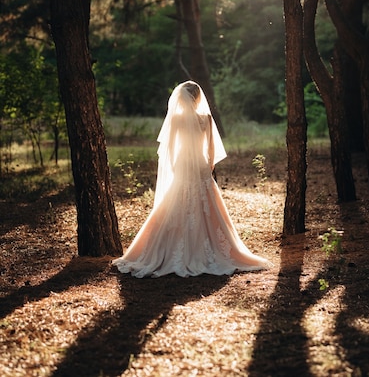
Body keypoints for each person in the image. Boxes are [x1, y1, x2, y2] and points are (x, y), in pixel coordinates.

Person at [113, 80, 270, 278]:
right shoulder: (206, 118)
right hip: (201, 165)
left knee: (175, 201)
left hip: (182, 164)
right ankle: (214, 247)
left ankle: (164, 250)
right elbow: (211, 149)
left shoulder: (177, 119)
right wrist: (208, 166)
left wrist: (173, 166)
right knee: (207, 204)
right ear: (197, 98)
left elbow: (169, 148)